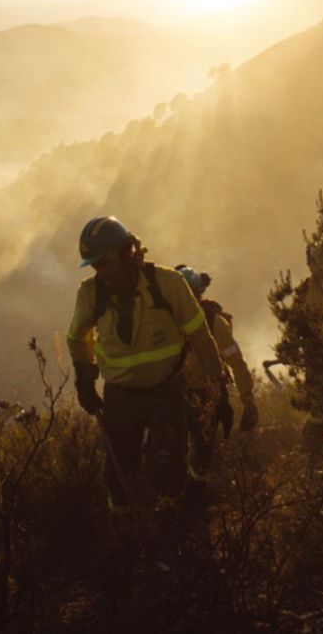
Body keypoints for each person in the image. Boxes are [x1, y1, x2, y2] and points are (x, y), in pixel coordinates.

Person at [67, 217, 225, 514]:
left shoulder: (168, 284)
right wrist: (83, 377)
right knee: (118, 477)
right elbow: (77, 338)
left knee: (168, 474)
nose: (100, 272)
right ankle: (126, 533)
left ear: (128, 252)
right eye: (95, 266)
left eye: (105, 263)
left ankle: (169, 536)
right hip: (120, 397)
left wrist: (219, 388)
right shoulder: (91, 293)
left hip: (166, 393)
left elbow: (201, 337)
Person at [175, 265, 259, 487]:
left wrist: (247, 399)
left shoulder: (214, 323)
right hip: (173, 395)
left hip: (206, 396)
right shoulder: (163, 321)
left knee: (201, 455)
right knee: (170, 454)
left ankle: (196, 497)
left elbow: (235, 361)